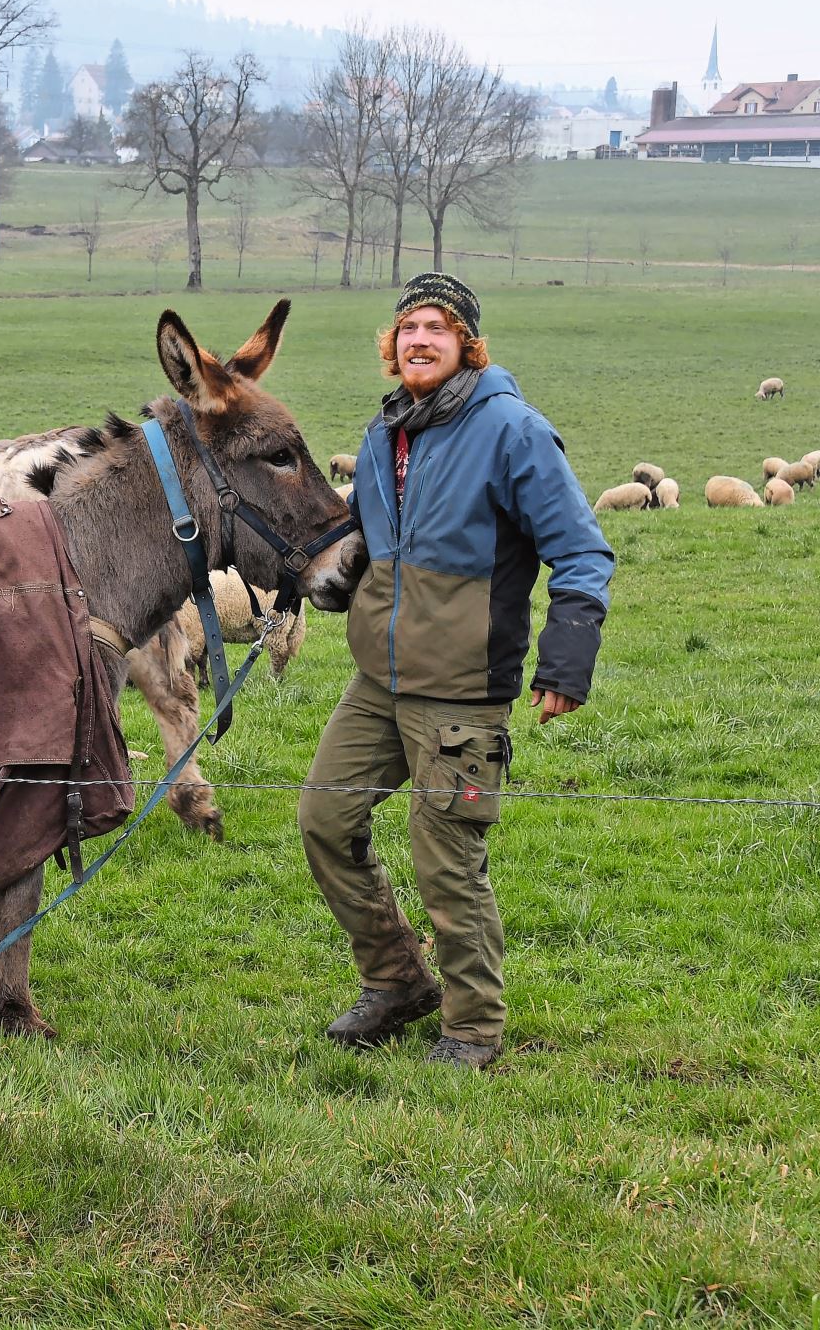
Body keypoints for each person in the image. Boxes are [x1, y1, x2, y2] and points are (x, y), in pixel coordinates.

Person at [299, 273, 614, 1069]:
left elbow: (580, 550)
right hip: (378, 680)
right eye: (408, 328)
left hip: (463, 690)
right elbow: (376, 537)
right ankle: (398, 980)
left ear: (467, 344)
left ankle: (472, 1029)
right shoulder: (385, 434)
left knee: (448, 864)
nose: (420, 340)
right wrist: (332, 579)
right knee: (325, 823)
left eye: (438, 327)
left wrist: (567, 660)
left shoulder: (512, 430)